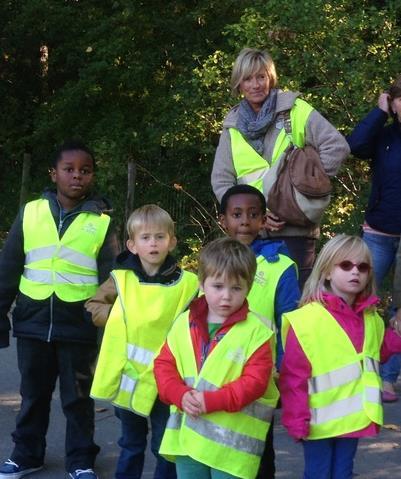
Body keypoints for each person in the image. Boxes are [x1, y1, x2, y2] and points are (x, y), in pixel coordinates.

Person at [0, 140, 119, 479]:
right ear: (54, 174)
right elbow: (9, 266)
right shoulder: (31, 213)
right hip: (32, 322)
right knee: (33, 395)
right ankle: (26, 454)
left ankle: (81, 459)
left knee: (78, 399)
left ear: (92, 176)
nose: (76, 176)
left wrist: (111, 326)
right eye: (69, 169)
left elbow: (110, 281)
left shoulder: (101, 223)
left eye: (85, 170)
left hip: (78, 326)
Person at [211, 47, 349, 288]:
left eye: (261, 77)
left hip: (295, 233)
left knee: (294, 312)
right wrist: (254, 216)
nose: (255, 84)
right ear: (238, 84)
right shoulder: (231, 126)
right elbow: (221, 181)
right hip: (249, 236)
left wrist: (301, 191)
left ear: (271, 78)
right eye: (248, 78)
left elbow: (336, 147)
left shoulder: (295, 110)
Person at [86, 204, 199, 479]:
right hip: (129, 378)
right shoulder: (120, 279)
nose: (153, 243)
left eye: (160, 237)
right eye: (146, 238)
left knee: (165, 445)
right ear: (132, 245)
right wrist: (116, 315)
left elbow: (197, 325)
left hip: (167, 380)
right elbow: (93, 306)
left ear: (171, 242)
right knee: (131, 444)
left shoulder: (188, 284)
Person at [154, 237, 279, 479]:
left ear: (249, 287)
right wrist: (179, 394)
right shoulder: (183, 323)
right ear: (202, 283)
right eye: (218, 286)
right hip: (189, 439)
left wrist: (210, 401)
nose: (226, 296)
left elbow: (255, 383)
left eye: (236, 288)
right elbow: (163, 366)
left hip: (231, 449)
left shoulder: (258, 332)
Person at [279, 235, 401, 479]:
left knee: (343, 474)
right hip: (317, 421)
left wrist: (397, 336)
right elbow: (293, 376)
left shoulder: (371, 318)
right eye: (345, 265)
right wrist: (296, 419)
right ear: (326, 272)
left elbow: (377, 353)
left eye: (362, 267)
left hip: (353, 418)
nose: (355, 271)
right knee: (318, 475)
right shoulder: (307, 320)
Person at [219, 184, 300, 479]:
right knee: (220, 445)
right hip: (219, 371)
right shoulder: (213, 262)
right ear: (223, 221)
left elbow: (289, 321)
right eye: (237, 214)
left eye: (253, 214)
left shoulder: (280, 266)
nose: (244, 221)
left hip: (260, 374)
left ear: (264, 219)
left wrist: (283, 368)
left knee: (258, 447)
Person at [347, 76, 401, 402]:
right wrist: (378, 113)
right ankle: (359, 370)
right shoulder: (384, 136)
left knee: (400, 308)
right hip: (378, 232)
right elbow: (354, 146)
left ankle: (388, 378)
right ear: (393, 102)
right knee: (362, 300)